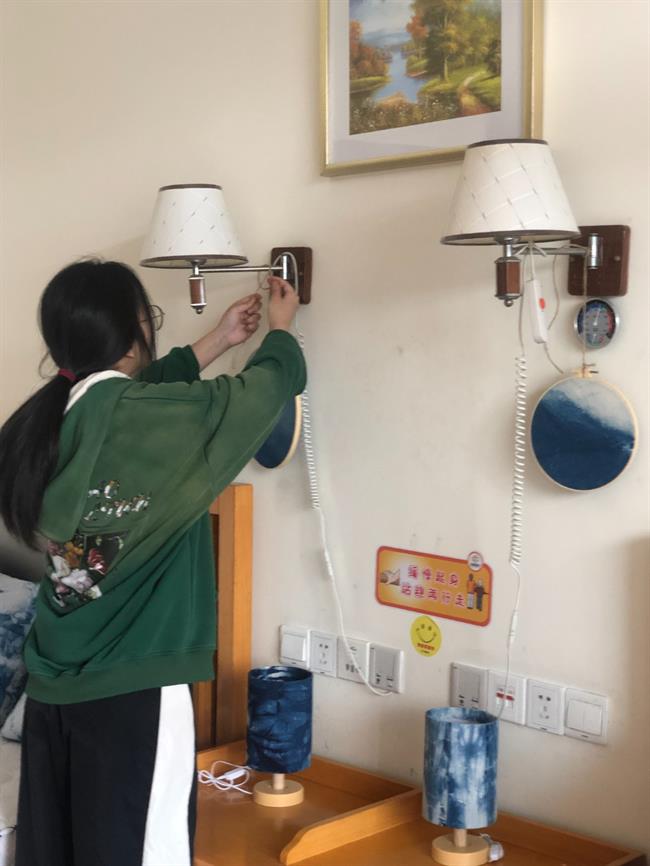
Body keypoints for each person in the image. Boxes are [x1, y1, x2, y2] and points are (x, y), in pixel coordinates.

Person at [0, 258, 305, 866]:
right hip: (134, 694)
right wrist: (281, 330)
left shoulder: (51, 420)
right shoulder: (149, 420)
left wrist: (218, 340)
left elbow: (133, 397)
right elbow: (262, 393)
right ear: (134, 332)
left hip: (53, 696)